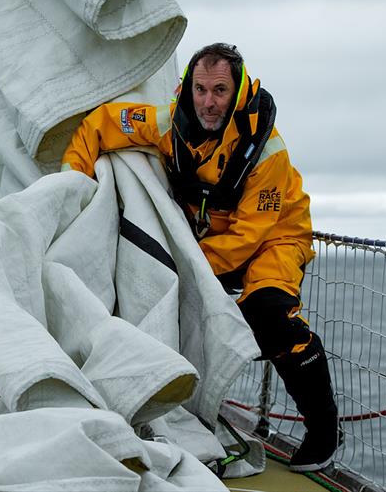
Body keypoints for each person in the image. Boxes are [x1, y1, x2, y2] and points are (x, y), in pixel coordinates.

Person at [60, 43, 340, 472]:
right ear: (188, 89)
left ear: (238, 92)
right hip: (207, 240)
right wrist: (69, 193)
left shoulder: (268, 154)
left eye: (220, 90)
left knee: (271, 315)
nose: (208, 102)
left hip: (273, 238)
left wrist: (180, 267)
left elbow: (249, 236)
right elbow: (98, 127)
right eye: (201, 89)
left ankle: (324, 430)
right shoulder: (165, 122)